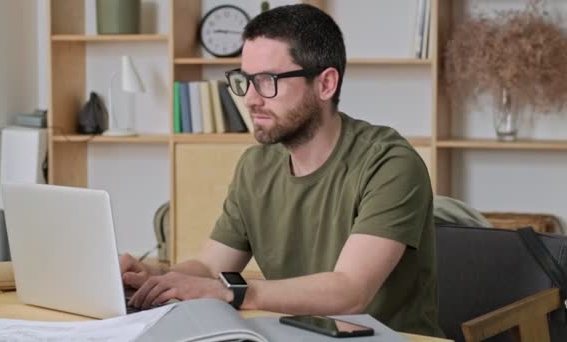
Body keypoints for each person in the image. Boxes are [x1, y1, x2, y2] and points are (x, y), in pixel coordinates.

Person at [121, 4, 443, 337]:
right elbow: (209, 268)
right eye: (245, 80)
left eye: (267, 81)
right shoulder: (255, 166)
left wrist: (234, 293)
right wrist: (156, 281)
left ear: (326, 84)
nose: (250, 99)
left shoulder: (390, 163)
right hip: (289, 335)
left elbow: (350, 291)